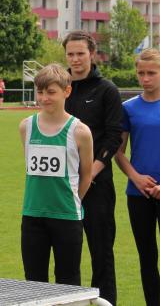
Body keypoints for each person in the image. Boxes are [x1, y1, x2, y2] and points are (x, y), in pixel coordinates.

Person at [115, 48, 160, 306]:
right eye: (141, 73)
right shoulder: (128, 108)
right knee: (147, 258)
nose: (145, 78)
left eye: (151, 73)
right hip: (138, 194)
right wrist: (135, 177)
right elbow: (118, 152)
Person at [62, 30, 122, 305]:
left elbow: (113, 137)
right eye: (70, 54)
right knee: (66, 254)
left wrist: (90, 173)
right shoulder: (60, 87)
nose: (75, 59)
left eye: (80, 54)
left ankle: (106, 301)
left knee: (101, 252)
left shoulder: (106, 90)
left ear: (92, 55)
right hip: (63, 186)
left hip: (97, 185)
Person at [20, 64, 92, 285]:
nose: (44, 98)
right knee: (34, 282)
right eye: (40, 92)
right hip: (32, 215)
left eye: (51, 92)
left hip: (67, 216)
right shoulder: (26, 127)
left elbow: (86, 175)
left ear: (66, 91)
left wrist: (71, 200)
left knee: (68, 282)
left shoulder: (80, 131)